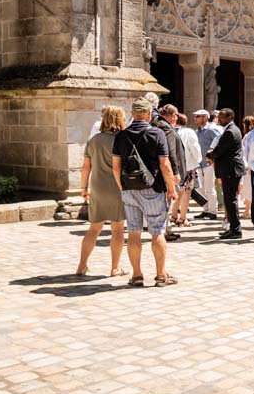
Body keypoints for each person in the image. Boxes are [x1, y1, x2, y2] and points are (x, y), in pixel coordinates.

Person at [111, 97, 178, 288]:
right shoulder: (156, 133)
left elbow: (115, 167)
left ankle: (137, 275)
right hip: (152, 189)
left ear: (132, 114)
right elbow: (165, 165)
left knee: (133, 232)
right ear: (149, 114)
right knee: (157, 232)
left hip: (129, 189)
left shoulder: (121, 136)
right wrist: (171, 189)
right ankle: (160, 275)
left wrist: (121, 187)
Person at [77, 105, 127, 278]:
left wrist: (83, 188)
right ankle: (115, 267)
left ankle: (82, 265)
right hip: (117, 186)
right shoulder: (123, 139)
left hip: (97, 186)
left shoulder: (94, 140)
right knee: (118, 229)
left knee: (94, 228)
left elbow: (85, 167)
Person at [205, 109, 246, 239]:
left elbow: (220, 150)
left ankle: (236, 229)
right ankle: (234, 228)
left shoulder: (230, 131)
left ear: (229, 117)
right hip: (230, 169)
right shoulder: (232, 129)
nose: (219, 119)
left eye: (221, 117)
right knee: (229, 200)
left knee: (230, 200)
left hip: (230, 170)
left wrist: (209, 154)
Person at [153, 105, 186, 242]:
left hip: (160, 170)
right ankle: (164, 231)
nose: (177, 118)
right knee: (168, 201)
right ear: (172, 115)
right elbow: (170, 151)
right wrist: (176, 172)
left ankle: (165, 229)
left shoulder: (158, 124)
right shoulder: (166, 127)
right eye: (176, 115)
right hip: (167, 171)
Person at [171, 113, 202, 228]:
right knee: (186, 193)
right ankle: (183, 218)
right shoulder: (189, 132)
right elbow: (194, 148)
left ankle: (174, 215)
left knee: (177, 192)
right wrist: (198, 159)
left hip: (173, 167)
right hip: (188, 167)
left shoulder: (169, 131)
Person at [194, 109, 222, 221]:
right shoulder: (197, 131)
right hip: (200, 163)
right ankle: (206, 209)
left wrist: (214, 158)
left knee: (210, 188)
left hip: (210, 163)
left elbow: (220, 142)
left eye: (198, 116)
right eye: (196, 116)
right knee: (201, 188)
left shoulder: (212, 129)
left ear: (205, 117)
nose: (196, 118)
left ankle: (212, 212)